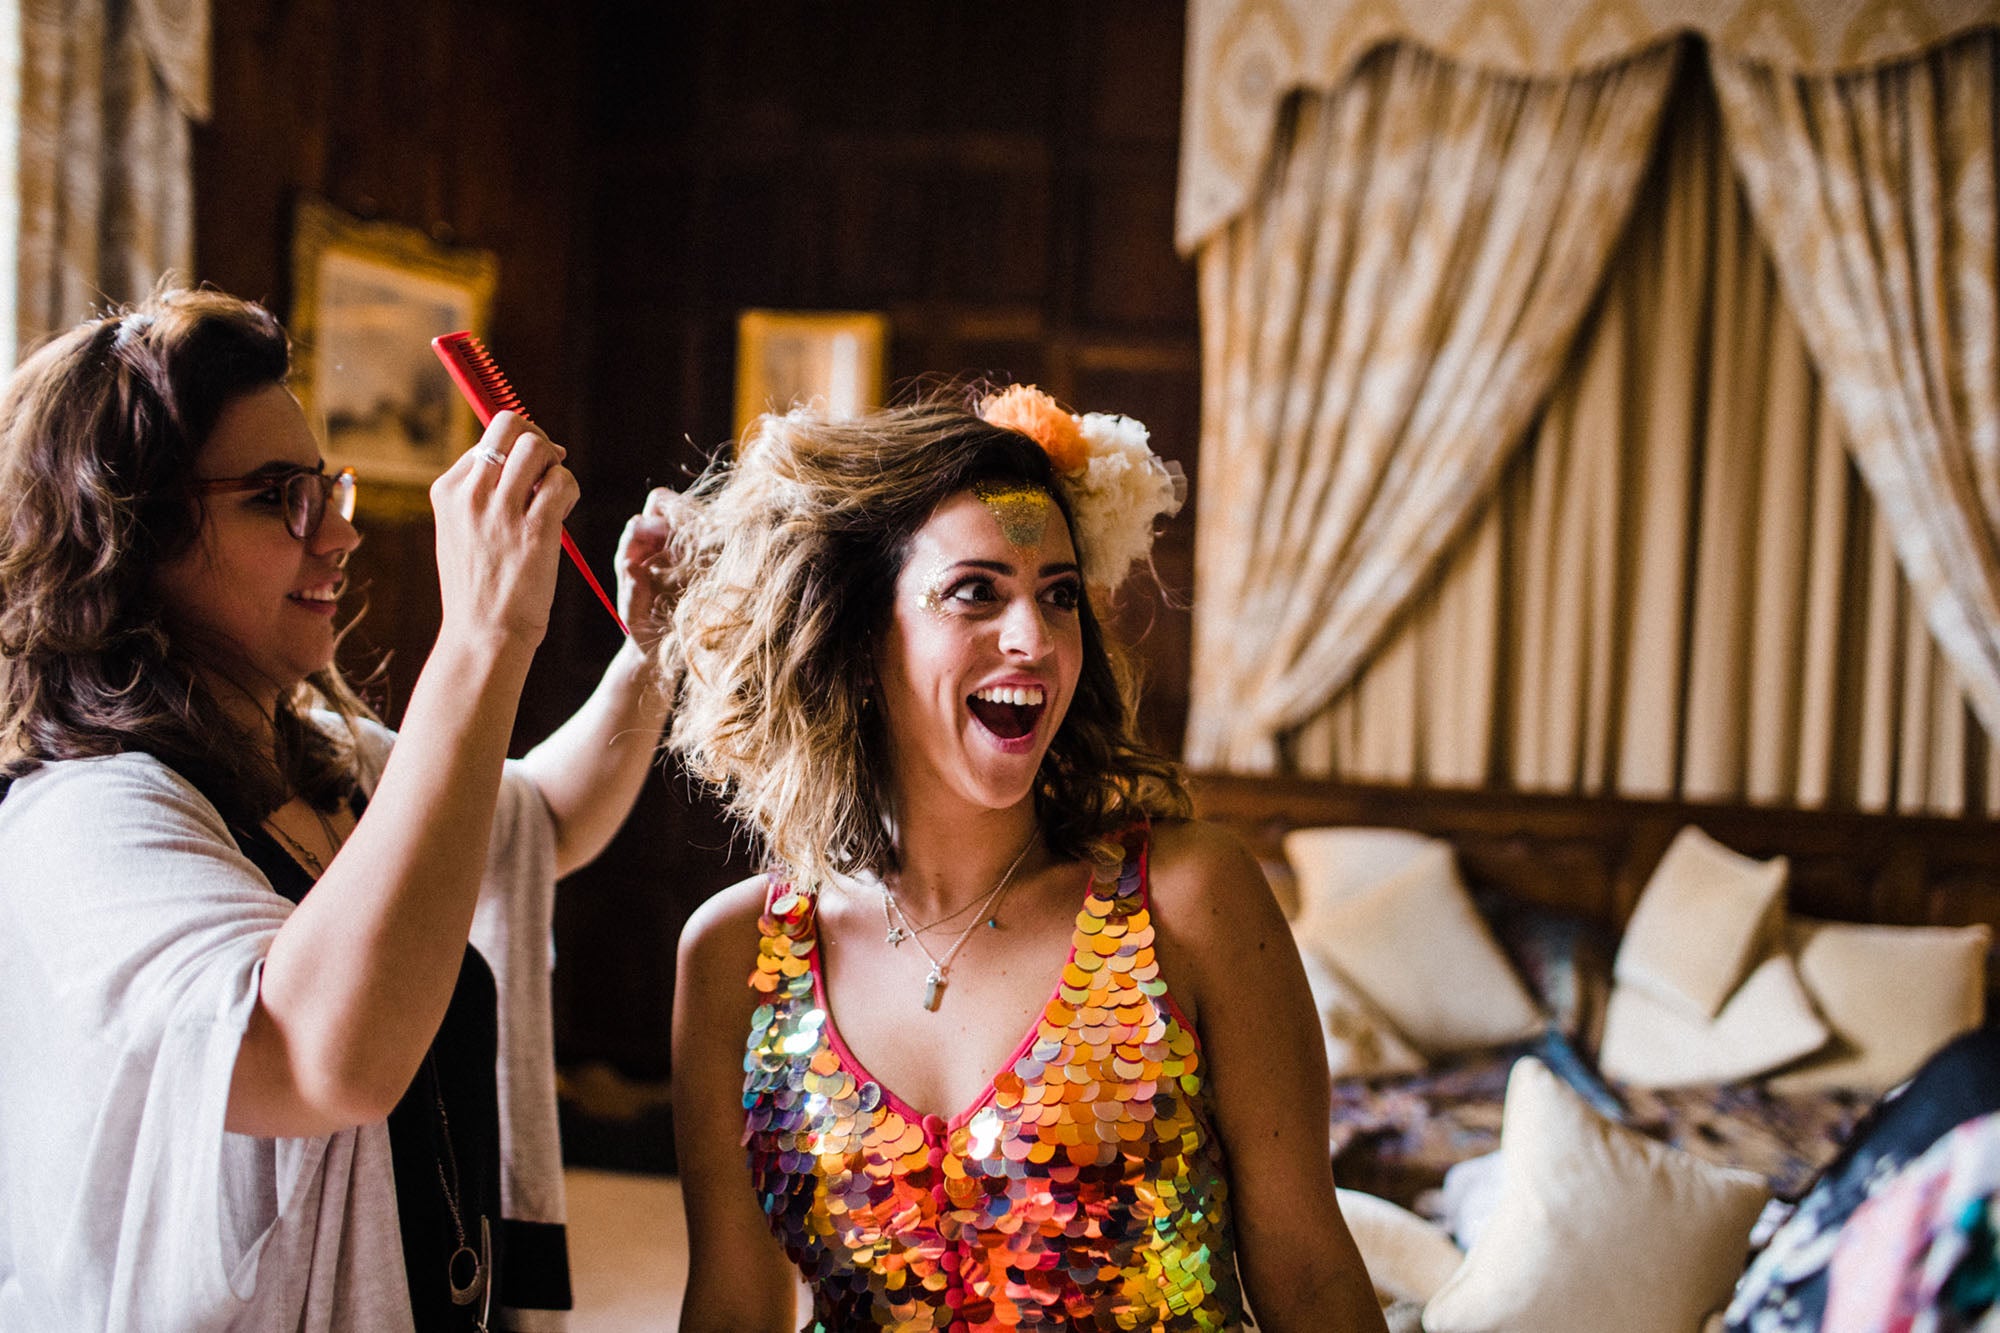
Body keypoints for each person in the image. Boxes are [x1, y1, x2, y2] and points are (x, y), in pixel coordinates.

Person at [0, 286, 675, 1330]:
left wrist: (652, 652)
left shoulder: (316, 752)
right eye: (278, 497)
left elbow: (535, 818)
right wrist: (483, 637)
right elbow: (319, 1055)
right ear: (128, 534)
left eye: (326, 486)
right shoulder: (86, 818)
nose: (341, 537)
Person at [667, 387, 1386, 1331]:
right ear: (858, 629)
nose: (1033, 639)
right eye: (976, 590)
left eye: (1058, 596)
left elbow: (1312, 1279)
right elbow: (731, 1305)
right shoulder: (734, 956)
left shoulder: (1191, 901)